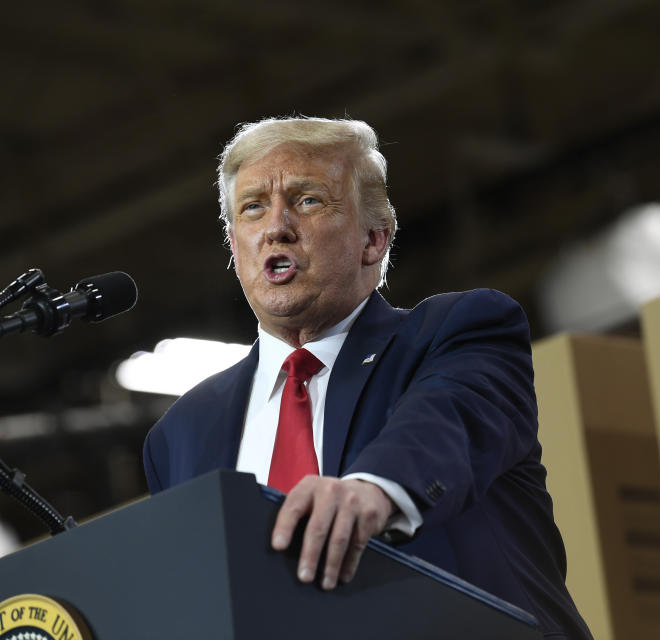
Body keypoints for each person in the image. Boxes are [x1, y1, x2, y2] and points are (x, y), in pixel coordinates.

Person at [142, 117, 591, 639]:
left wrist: (372, 490)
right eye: (253, 207)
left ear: (373, 240)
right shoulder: (179, 435)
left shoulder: (457, 331)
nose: (275, 227)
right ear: (235, 245)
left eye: (308, 200)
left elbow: (448, 419)